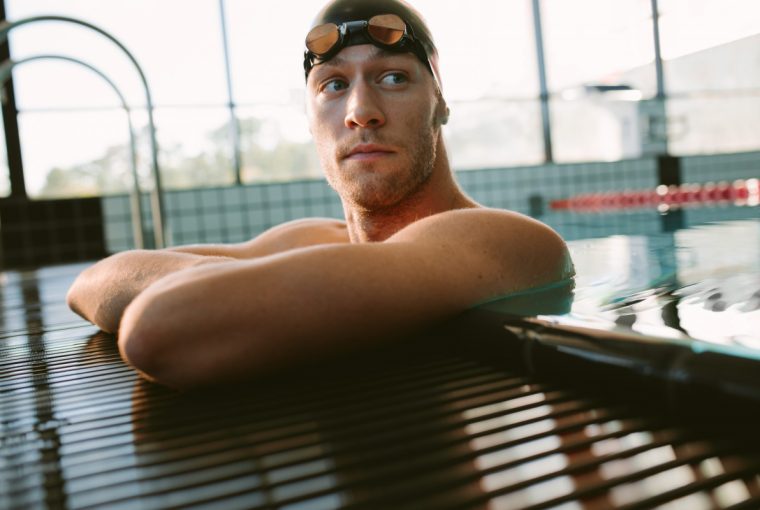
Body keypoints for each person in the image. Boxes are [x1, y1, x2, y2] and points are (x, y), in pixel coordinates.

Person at [67, 0, 574, 389]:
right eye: (332, 85)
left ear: (439, 102)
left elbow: (157, 328)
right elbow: (91, 284)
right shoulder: (312, 241)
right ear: (310, 119)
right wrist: (251, 283)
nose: (360, 110)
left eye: (393, 77)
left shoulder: (504, 240)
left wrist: (237, 286)